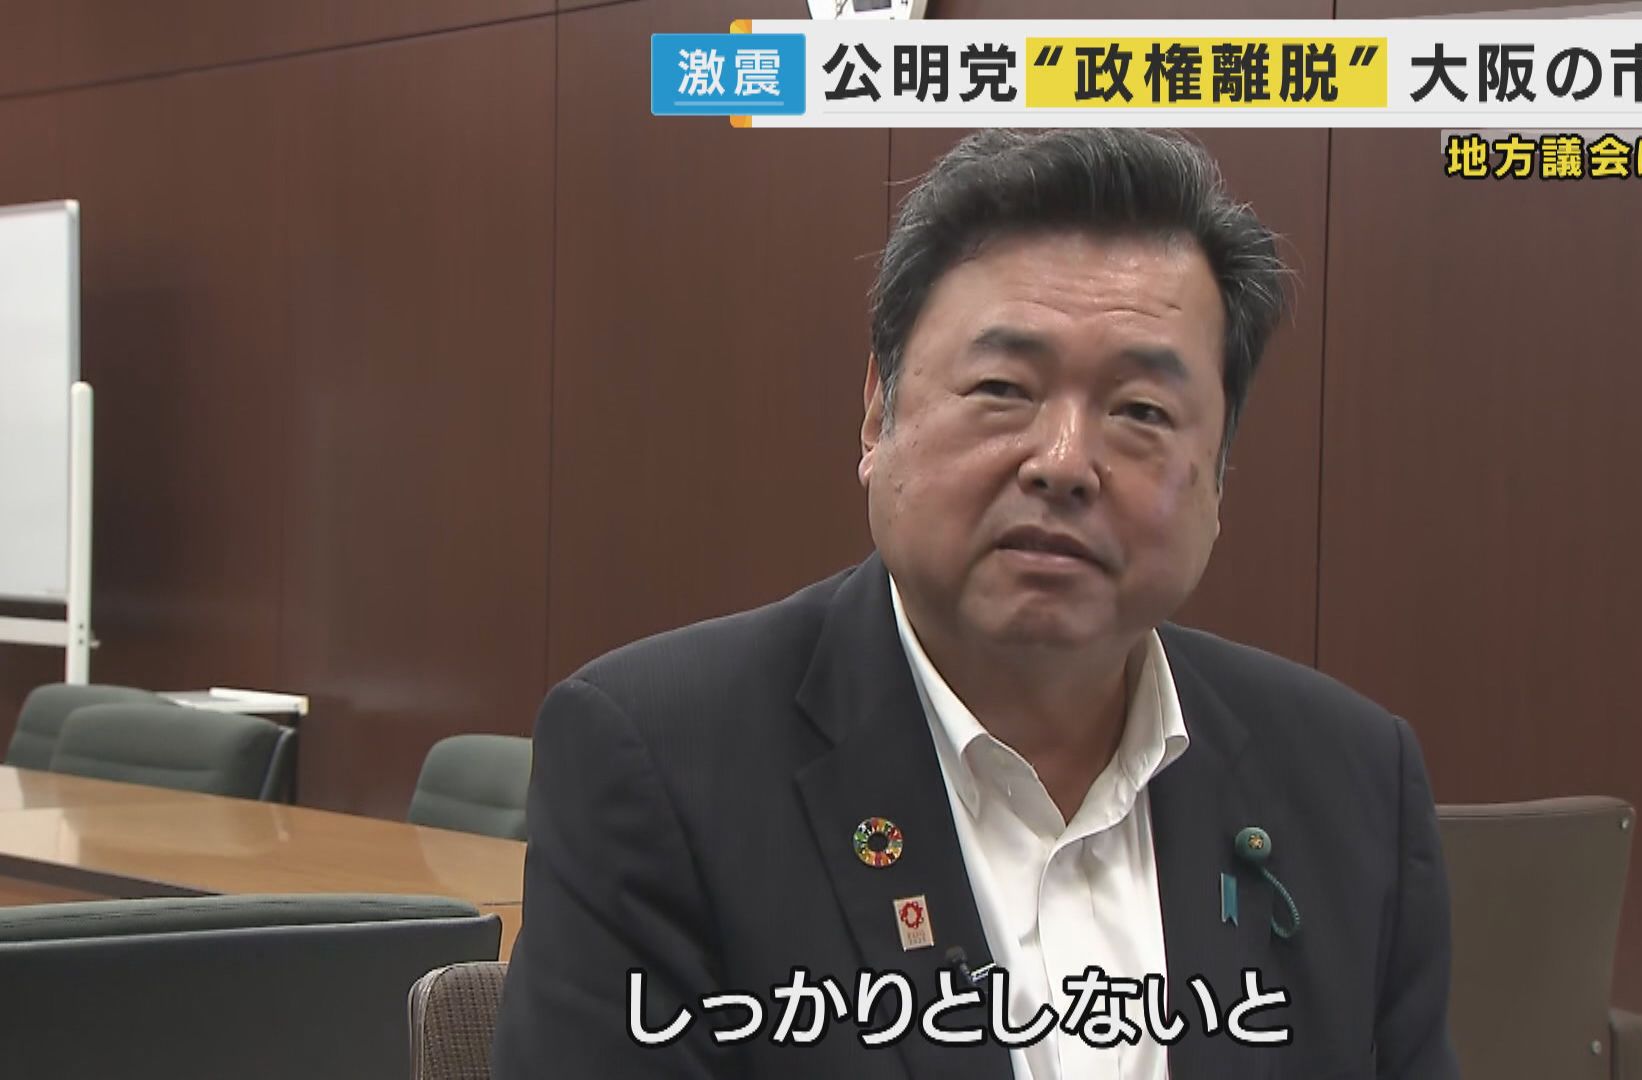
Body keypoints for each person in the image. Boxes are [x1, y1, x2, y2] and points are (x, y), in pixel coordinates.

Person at [492, 128, 1459, 1080]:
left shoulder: (1351, 782)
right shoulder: (660, 763)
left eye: (1142, 412)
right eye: (1003, 387)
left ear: (1218, 479)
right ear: (879, 414)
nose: (1065, 463)